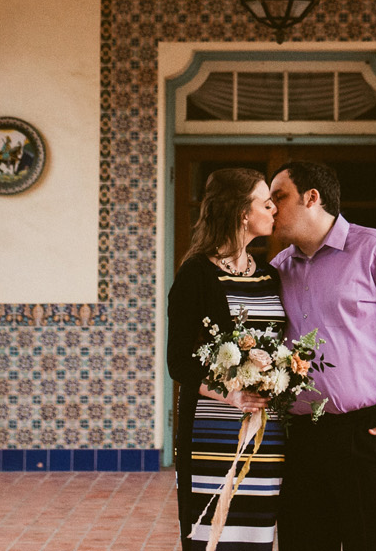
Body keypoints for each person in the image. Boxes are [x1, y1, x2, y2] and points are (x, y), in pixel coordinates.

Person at [269, 161, 376, 551]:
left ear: (312, 197)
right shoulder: (279, 268)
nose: (272, 207)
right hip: (302, 439)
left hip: (369, 435)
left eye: (280, 196)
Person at [166, 168, 285, 549]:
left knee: (256, 532)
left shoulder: (269, 276)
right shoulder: (195, 274)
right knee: (211, 536)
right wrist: (230, 394)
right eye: (265, 202)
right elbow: (179, 361)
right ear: (241, 213)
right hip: (211, 433)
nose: (274, 209)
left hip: (266, 433)